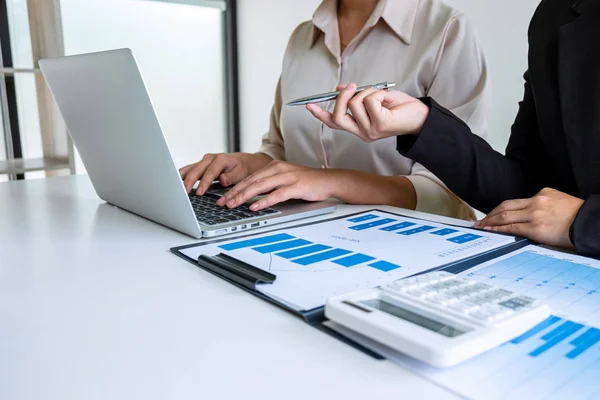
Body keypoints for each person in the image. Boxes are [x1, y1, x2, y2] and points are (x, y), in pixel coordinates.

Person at [308, 0, 600, 257]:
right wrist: (422, 124)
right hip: (555, 269)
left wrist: (585, 222)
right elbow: (521, 191)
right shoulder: (555, 13)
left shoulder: (447, 26)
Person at [180, 0, 488, 220]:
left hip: (408, 248)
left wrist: (330, 182)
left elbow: (448, 196)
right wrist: (248, 166)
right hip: (304, 232)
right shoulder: (302, 37)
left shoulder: (447, 30)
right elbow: (280, 150)